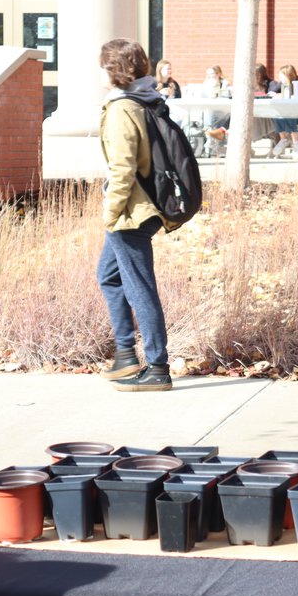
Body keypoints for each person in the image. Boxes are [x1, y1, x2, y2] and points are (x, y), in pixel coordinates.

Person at [96, 38, 176, 392]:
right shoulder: (147, 99)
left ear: (114, 70)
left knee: (140, 287)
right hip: (143, 208)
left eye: (103, 67)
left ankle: (157, 366)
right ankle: (126, 353)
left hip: (131, 213)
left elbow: (123, 168)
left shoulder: (122, 109)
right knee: (109, 276)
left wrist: (109, 213)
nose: (100, 74)